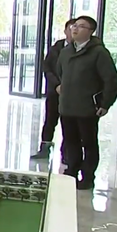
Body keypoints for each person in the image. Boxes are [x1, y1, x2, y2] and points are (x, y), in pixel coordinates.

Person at [57, 15, 117, 190]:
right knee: (71, 141)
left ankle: (88, 176)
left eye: (81, 26)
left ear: (91, 31)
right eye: (74, 26)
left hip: (87, 108)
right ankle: (72, 170)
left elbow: (111, 80)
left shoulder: (99, 53)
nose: (75, 29)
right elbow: (60, 72)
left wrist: (105, 103)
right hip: (67, 106)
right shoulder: (66, 52)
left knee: (89, 143)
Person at [31, 19, 75, 161]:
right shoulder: (57, 47)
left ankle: (66, 154)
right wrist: (56, 85)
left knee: (69, 125)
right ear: (65, 31)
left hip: (72, 95)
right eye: (71, 29)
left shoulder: (81, 50)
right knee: (50, 121)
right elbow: (47, 67)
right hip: (54, 92)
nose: (73, 32)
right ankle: (44, 149)